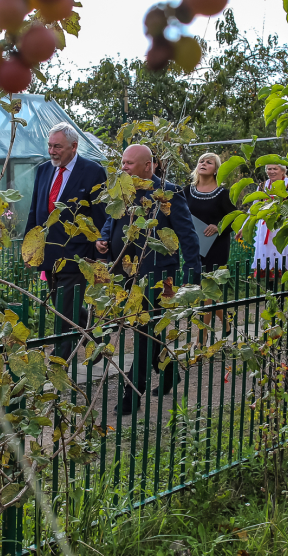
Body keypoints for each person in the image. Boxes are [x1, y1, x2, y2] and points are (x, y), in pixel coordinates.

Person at [96, 144, 202, 415]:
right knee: (146, 331)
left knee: (144, 333)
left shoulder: (168, 193)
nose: (124, 167)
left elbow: (187, 234)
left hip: (157, 275)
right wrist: (105, 238)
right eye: (123, 161)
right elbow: (113, 218)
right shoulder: (123, 188)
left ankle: (132, 393)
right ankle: (168, 374)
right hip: (124, 272)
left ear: (148, 165)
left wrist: (193, 273)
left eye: (129, 163)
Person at [25, 122, 108, 360]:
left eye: (57, 147)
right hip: (49, 254)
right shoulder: (43, 170)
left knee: (64, 308)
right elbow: (35, 211)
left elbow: (100, 214)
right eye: (50, 145)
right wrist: (31, 249)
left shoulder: (92, 171)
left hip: (77, 254)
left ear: (74, 146)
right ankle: (97, 340)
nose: (52, 151)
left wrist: (101, 251)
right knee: (65, 305)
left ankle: (59, 359)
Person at [184, 152, 236, 339]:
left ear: (216, 169)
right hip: (194, 246)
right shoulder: (186, 191)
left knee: (206, 288)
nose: (203, 163)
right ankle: (225, 318)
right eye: (201, 161)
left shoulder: (223, 194)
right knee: (204, 289)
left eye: (209, 162)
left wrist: (218, 226)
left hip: (216, 247)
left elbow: (235, 218)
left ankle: (201, 336)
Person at [252, 163, 288, 275]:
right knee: (269, 252)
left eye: (275, 169)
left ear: (283, 171)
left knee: (287, 249)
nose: (271, 171)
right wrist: (243, 227)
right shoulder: (262, 186)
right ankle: (271, 278)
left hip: (285, 223)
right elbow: (254, 208)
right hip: (266, 226)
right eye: (269, 169)